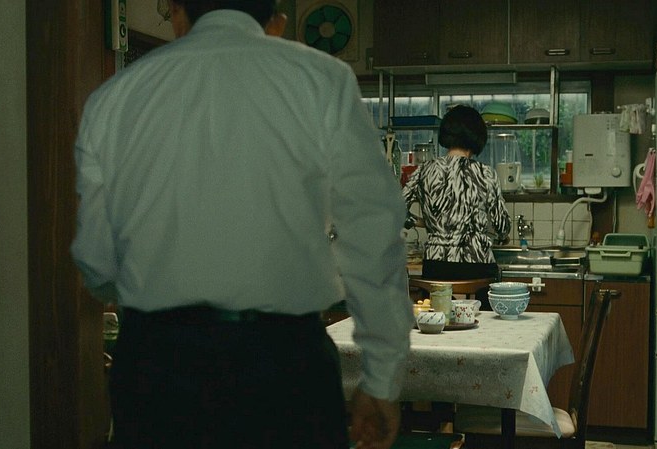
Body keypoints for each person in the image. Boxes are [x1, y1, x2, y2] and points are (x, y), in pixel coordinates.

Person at [70, 1, 413, 448]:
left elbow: (96, 261)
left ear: (177, 14)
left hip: (158, 369)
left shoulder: (114, 98)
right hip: (286, 367)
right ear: (276, 23)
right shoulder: (323, 80)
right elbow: (373, 232)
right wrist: (381, 380)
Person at [402, 105, 511, 288]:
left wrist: (425, 223)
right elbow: (502, 226)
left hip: (436, 266)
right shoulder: (485, 173)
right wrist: (501, 235)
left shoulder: (424, 170)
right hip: (477, 265)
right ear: (477, 137)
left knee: (437, 308)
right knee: (481, 308)